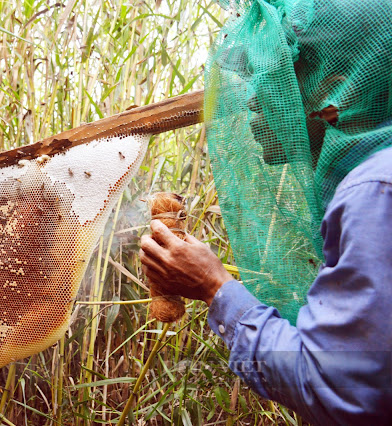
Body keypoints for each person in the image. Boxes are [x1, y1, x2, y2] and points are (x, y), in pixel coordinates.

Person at [141, 0, 392, 424]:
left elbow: (338, 392)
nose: (254, 102)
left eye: (274, 81)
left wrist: (214, 287)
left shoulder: (375, 192)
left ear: (332, 93)